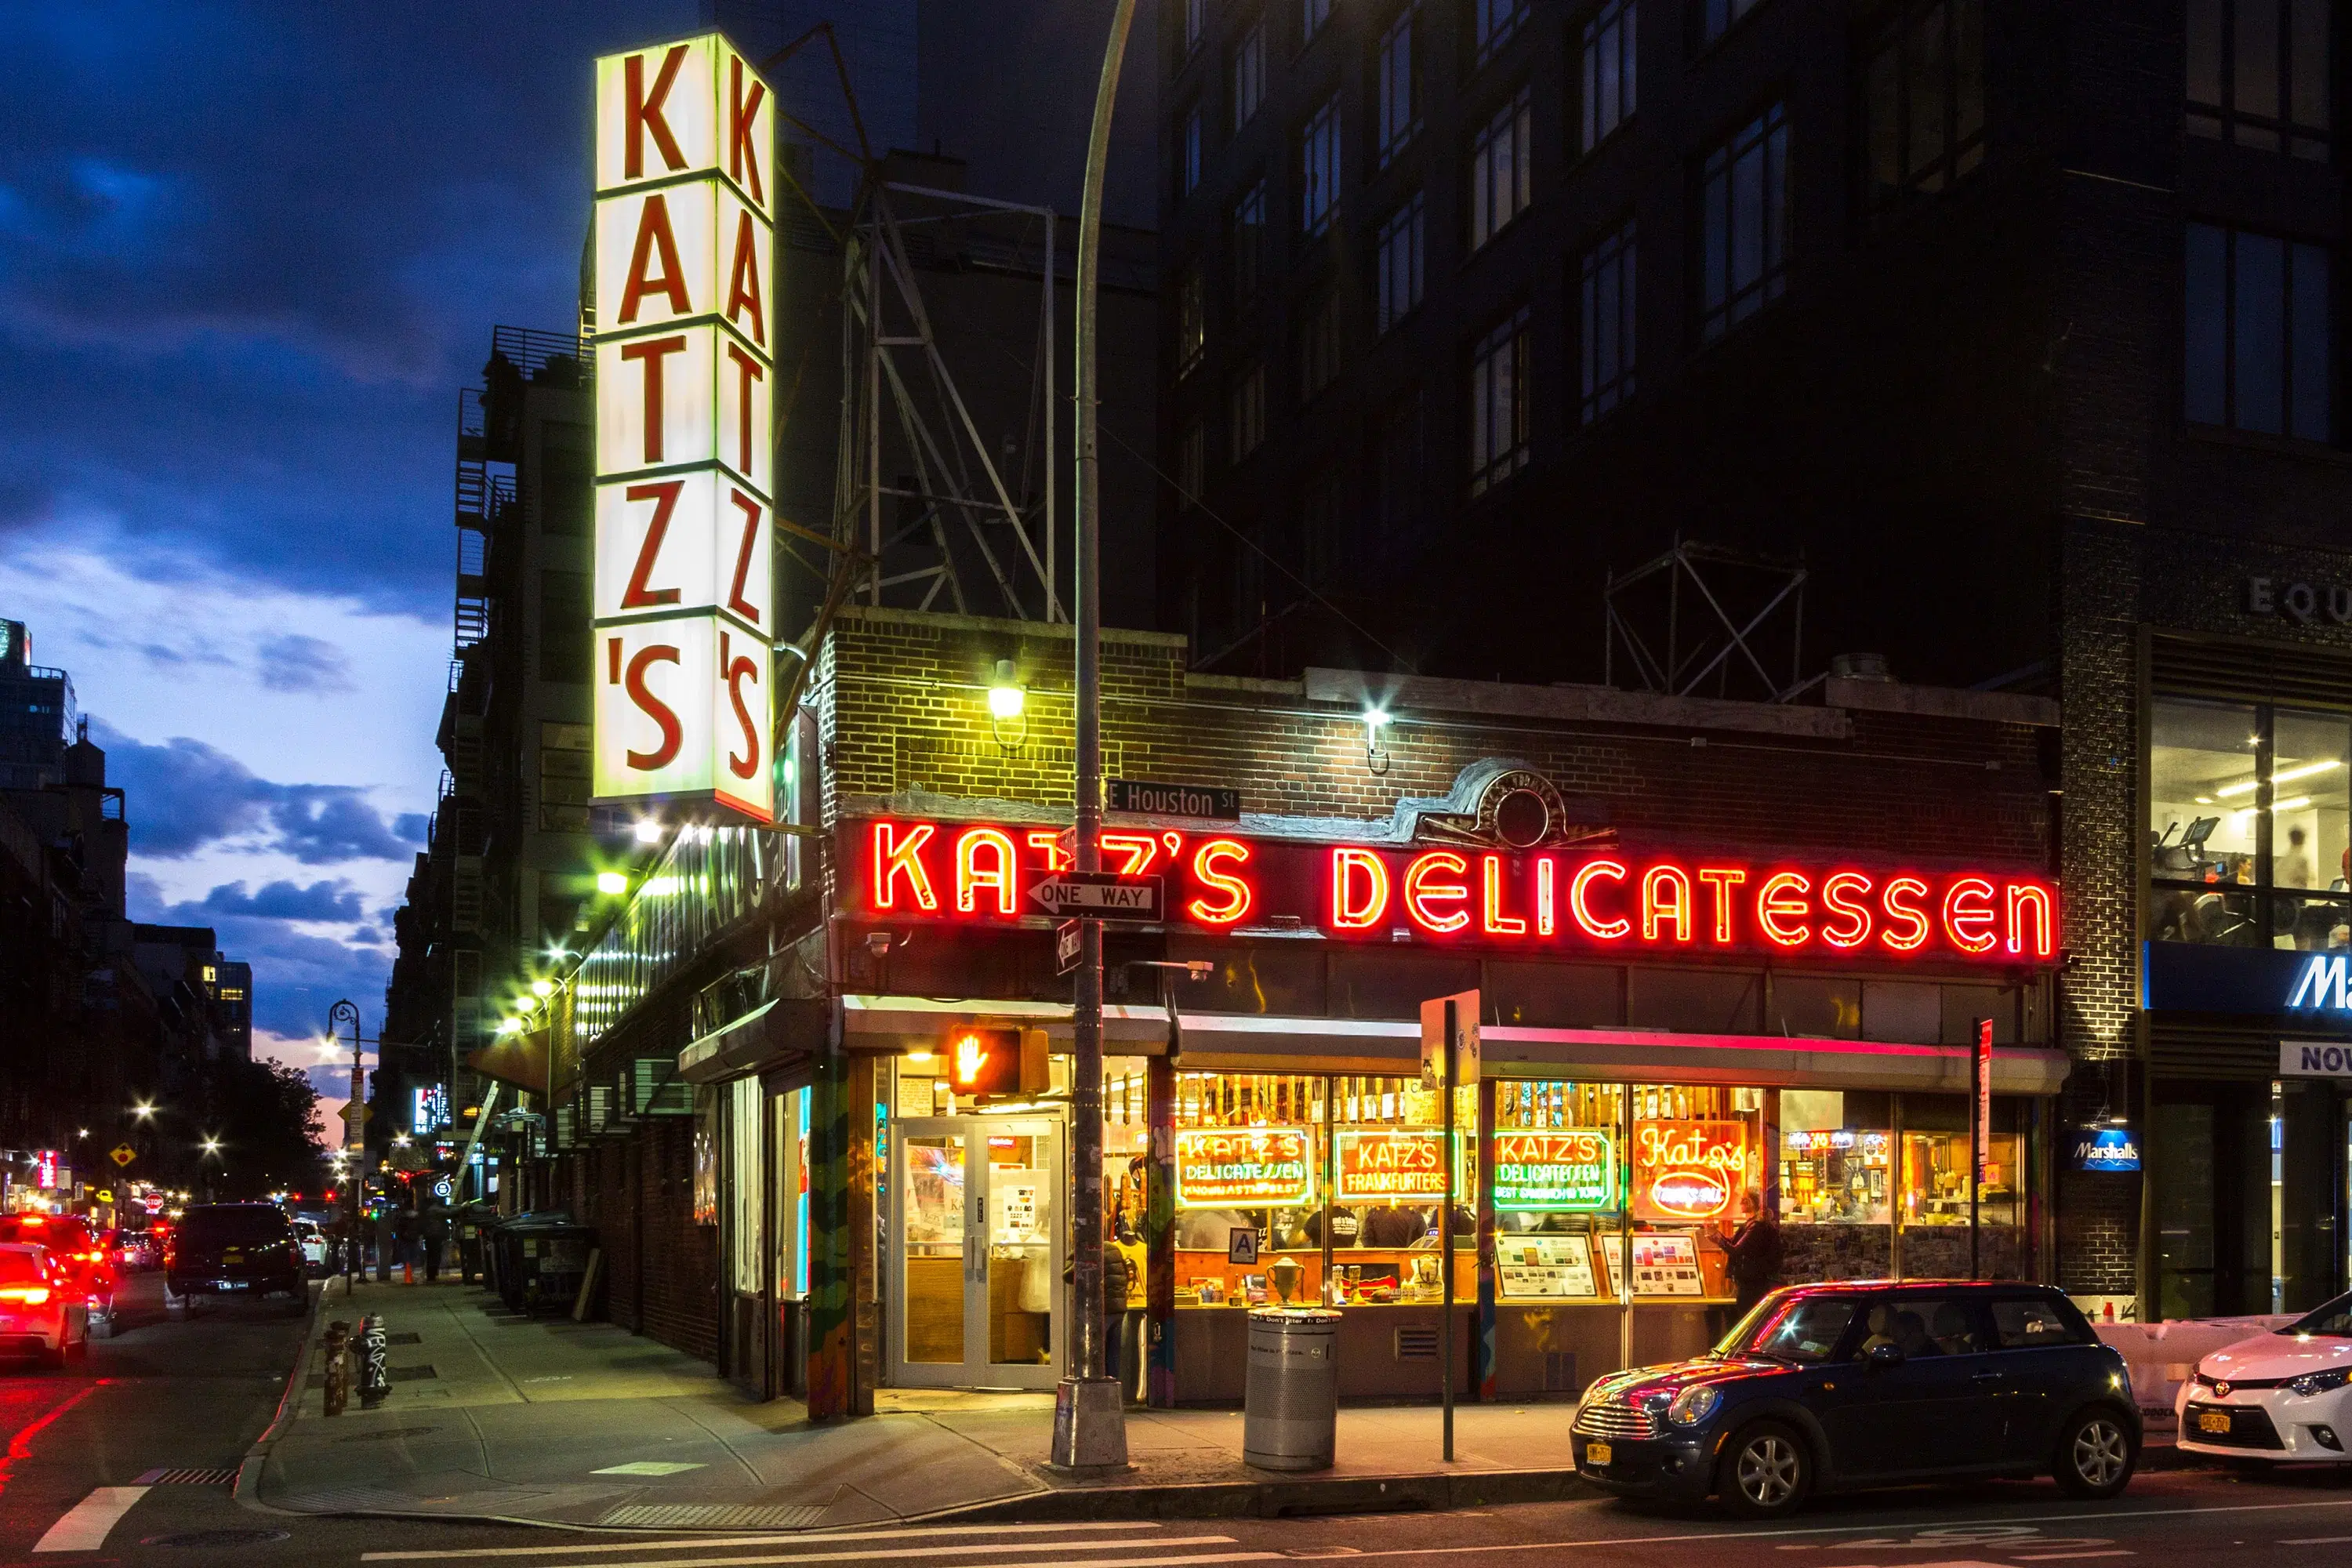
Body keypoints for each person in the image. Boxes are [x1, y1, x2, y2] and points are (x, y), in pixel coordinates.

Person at [1720, 1192, 1782, 1316]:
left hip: (1752, 1281)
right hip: (1752, 1280)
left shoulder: (1756, 1227)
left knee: (1748, 1313)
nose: (1740, 1203)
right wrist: (1717, 1237)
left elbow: (1736, 1250)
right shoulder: (1751, 1224)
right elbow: (1734, 1242)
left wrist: (1718, 1240)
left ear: (1753, 1203)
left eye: (1744, 1200)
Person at [421, 1204, 450, 1284]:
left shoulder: (430, 1214)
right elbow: (450, 1212)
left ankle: (431, 1274)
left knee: (431, 1256)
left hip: (431, 1237)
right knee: (435, 1256)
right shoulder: (436, 1211)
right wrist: (462, 1207)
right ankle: (432, 1275)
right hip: (436, 1237)